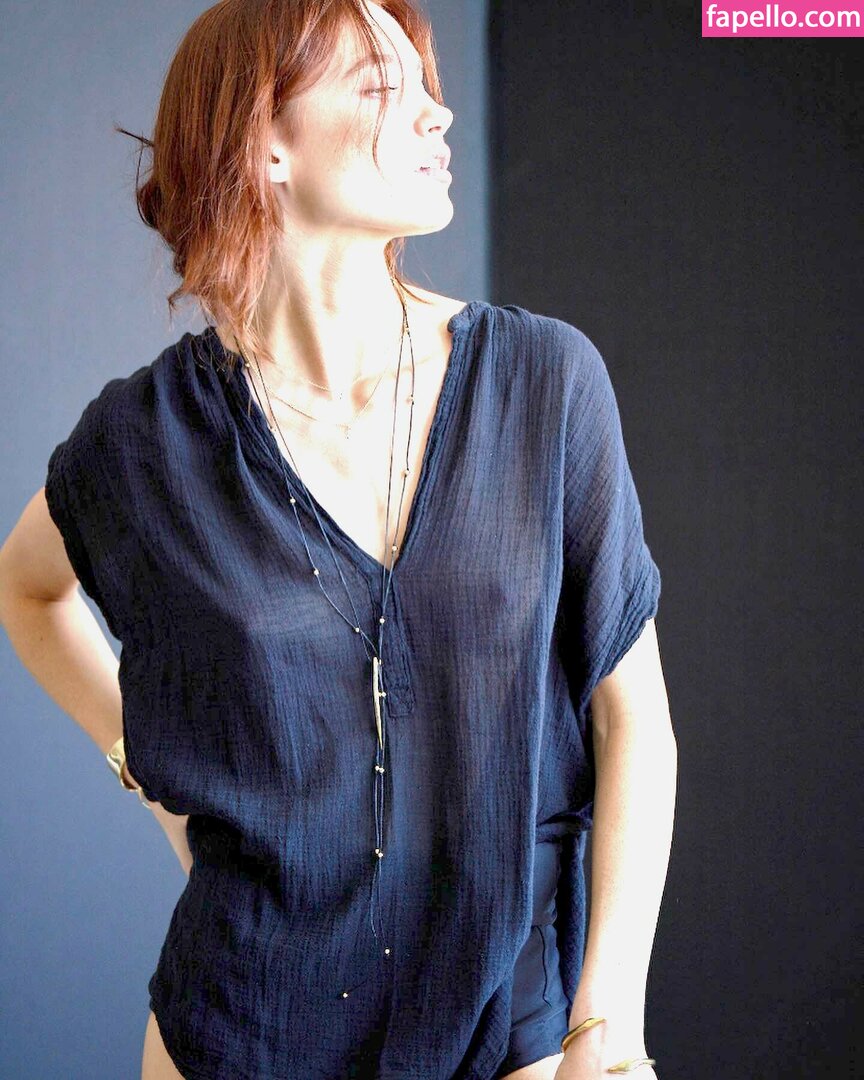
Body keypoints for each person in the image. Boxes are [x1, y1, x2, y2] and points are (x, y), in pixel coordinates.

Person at [0, 1, 678, 1078]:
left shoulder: (545, 383)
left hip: (511, 1031)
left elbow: (631, 715)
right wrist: (146, 769)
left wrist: (610, 1022)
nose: (435, 114)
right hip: (237, 1033)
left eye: (427, 84)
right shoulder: (141, 443)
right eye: (380, 87)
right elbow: (26, 589)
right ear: (266, 142)